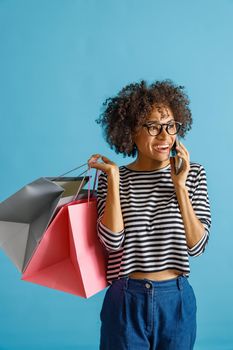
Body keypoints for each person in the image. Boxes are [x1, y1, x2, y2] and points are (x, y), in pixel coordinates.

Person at [88, 79, 211, 350]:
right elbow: (111, 242)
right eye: (154, 127)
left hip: (176, 300)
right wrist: (114, 179)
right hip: (125, 299)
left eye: (171, 126)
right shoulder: (114, 178)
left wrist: (180, 187)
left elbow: (198, 246)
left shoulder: (193, 175)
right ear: (132, 131)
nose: (165, 136)